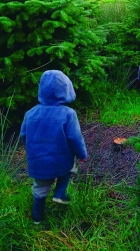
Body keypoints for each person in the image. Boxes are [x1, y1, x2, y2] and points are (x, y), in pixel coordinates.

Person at [20, 70, 87, 224]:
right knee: (70, 168)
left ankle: (37, 218)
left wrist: (33, 150)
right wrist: (82, 154)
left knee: (40, 189)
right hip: (61, 161)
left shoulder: (30, 113)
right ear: (66, 90)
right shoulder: (68, 114)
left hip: (38, 163)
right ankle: (60, 193)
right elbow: (75, 138)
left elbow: (24, 135)